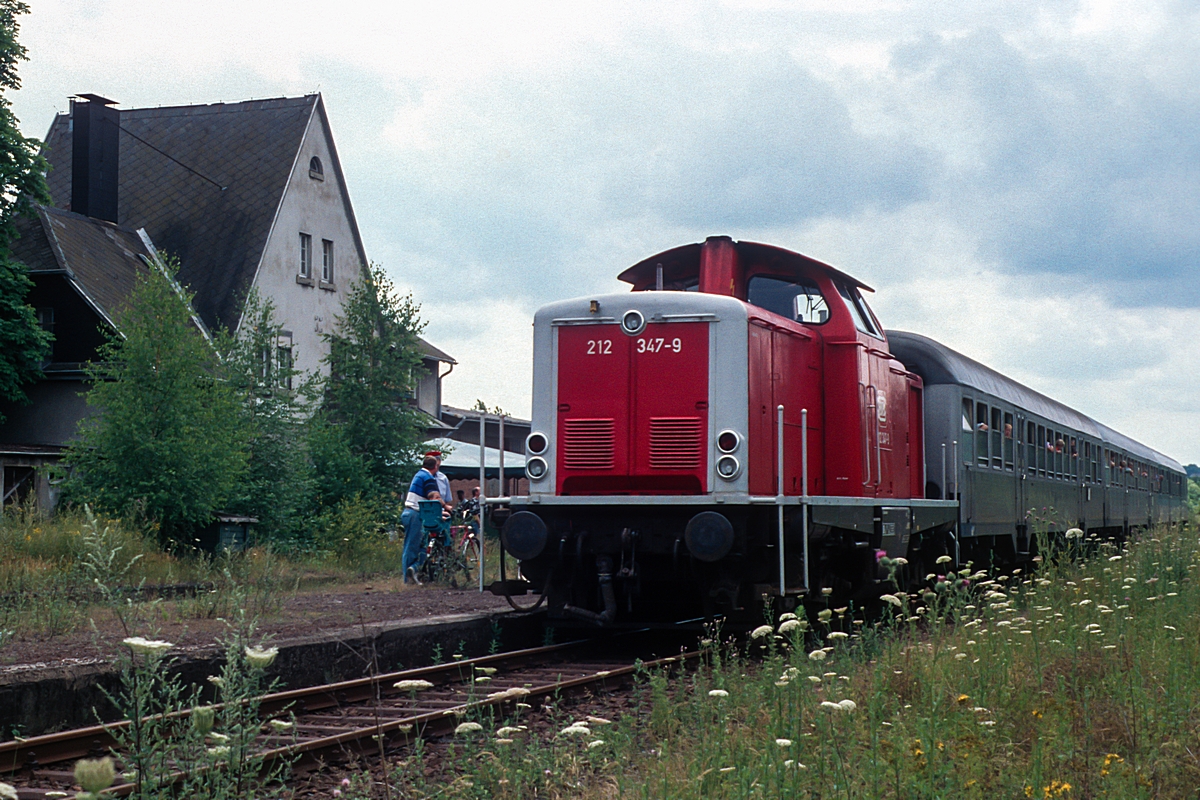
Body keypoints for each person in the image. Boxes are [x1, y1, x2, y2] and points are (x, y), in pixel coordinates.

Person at [402, 455, 440, 585]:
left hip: (409, 512)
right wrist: (446, 507)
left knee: (418, 546)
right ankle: (409, 577)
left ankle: (413, 572)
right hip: (415, 513)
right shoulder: (428, 477)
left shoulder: (418, 475)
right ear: (435, 466)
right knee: (412, 547)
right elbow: (433, 496)